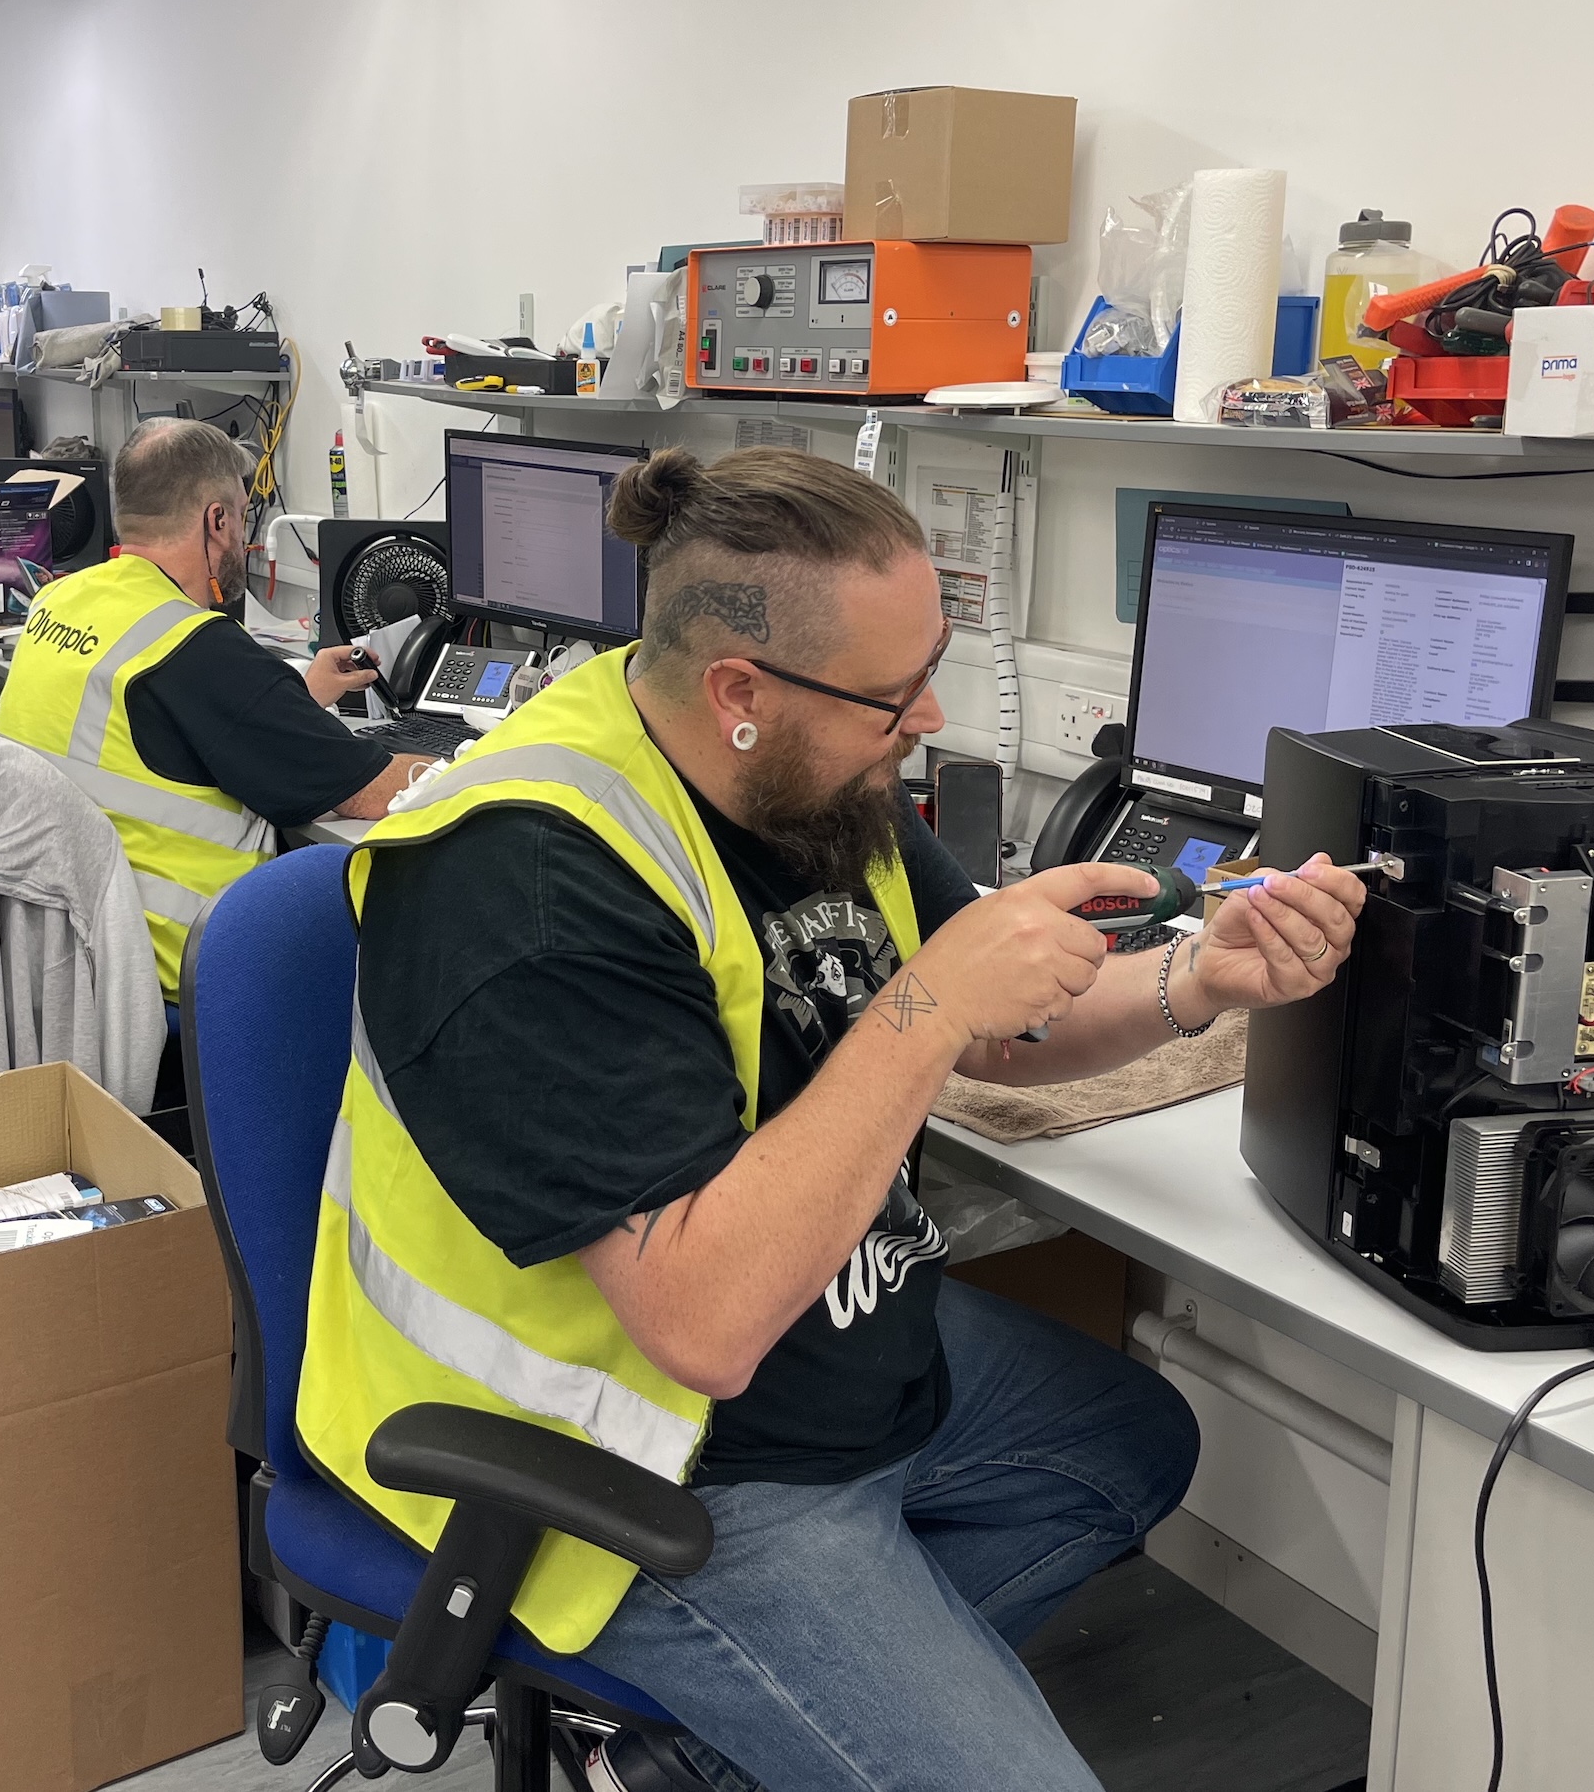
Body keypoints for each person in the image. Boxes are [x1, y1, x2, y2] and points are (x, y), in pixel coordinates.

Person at [298, 445, 1368, 1792]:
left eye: (931, 670)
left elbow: (991, 1020)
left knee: (1126, 1439)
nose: (924, 716)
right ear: (740, 689)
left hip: (831, 1339)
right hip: (622, 1448)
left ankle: (696, 1755)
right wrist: (926, 1003)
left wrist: (1199, 981)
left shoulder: (804, 777)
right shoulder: (523, 888)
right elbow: (703, 1321)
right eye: (893, 693)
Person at [0, 415, 426, 1003]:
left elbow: (170, 724)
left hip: (58, 953)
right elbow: (376, 790)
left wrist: (293, 694)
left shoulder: (59, 599)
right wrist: (490, 753)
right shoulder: (196, 646)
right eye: (244, 516)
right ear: (217, 520)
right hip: (176, 973)